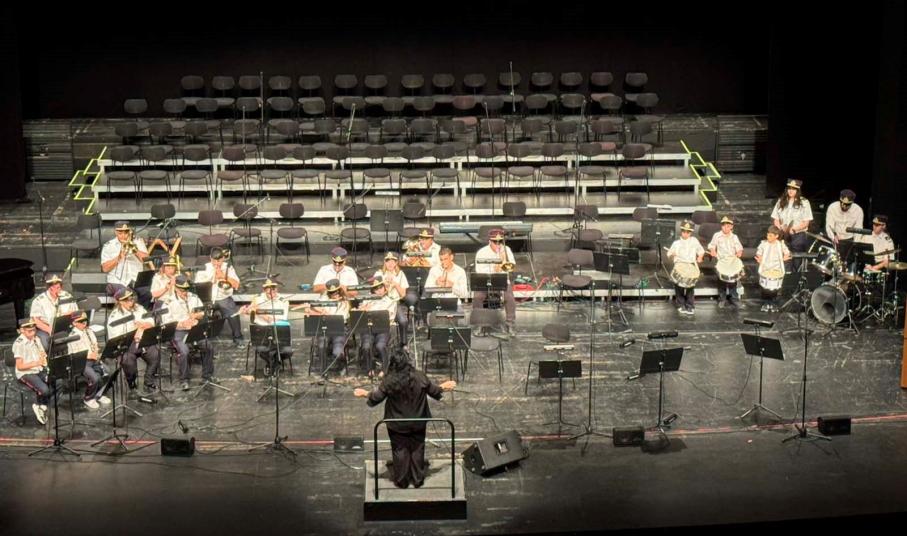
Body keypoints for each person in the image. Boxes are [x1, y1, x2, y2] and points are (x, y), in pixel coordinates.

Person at [354, 350, 456, 489]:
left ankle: (402, 481)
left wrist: (365, 394)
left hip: (396, 424)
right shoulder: (420, 377)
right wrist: (444, 387)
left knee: (400, 450)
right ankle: (417, 479)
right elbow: (434, 391)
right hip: (418, 422)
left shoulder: (389, 381)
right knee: (418, 449)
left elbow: (377, 397)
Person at [162, 275, 216, 391]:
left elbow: (202, 312)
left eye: (186, 289)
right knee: (184, 351)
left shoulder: (194, 297)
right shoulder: (168, 301)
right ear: (176, 288)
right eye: (182, 290)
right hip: (178, 331)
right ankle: (184, 379)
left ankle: (207, 376)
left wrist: (195, 316)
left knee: (208, 346)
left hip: (194, 329)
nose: (185, 292)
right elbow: (166, 322)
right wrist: (182, 324)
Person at [106, 287, 162, 393]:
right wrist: (134, 330)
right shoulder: (115, 316)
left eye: (131, 299)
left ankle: (148, 381)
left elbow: (150, 319)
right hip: (127, 345)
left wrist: (146, 324)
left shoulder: (139, 308)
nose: (131, 302)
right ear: (120, 302)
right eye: (127, 300)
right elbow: (115, 336)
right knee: (129, 364)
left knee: (155, 355)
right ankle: (132, 384)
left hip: (142, 340)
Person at [195, 247, 245, 348]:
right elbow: (197, 284)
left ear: (223, 258)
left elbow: (237, 284)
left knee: (233, 313)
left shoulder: (228, 267)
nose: (217, 263)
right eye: (214, 261)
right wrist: (212, 279)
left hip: (223, 297)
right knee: (199, 315)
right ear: (210, 258)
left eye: (219, 261)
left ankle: (238, 337)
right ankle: (200, 339)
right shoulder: (204, 268)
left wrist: (223, 276)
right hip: (207, 298)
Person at [242, 278, 292, 377]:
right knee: (262, 349)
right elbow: (249, 311)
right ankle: (273, 364)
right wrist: (247, 310)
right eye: (269, 289)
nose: (272, 291)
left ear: (277, 289)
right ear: (264, 290)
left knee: (287, 351)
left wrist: (261, 313)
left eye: (274, 289)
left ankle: (273, 364)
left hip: (277, 330)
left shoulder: (284, 301)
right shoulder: (257, 299)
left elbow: (282, 318)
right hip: (261, 331)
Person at [472, 228, 517, 335]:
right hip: (485, 281)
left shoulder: (507, 250)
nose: (498, 244)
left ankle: (510, 324)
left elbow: (511, 266)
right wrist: (494, 269)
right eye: (495, 242)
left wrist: (503, 261)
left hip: (502, 280)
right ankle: (479, 324)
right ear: (490, 241)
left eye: (500, 241)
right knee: (477, 297)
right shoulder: (482, 252)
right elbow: (479, 270)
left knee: (509, 298)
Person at [67, 310, 111, 409]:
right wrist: (90, 355)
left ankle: (99, 394)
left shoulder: (89, 331)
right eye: (81, 321)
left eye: (85, 320)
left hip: (92, 359)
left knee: (107, 372)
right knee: (94, 378)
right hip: (81, 362)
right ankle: (88, 398)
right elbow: (76, 354)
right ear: (74, 323)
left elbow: (95, 343)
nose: (84, 323)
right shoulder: (73, 336)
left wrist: (96, 350)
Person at [101, 220, 151, 306]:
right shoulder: (108, 246)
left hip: (135, 279)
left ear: (130, 232)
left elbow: (147, 260)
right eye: (120, 233)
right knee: (125, 294)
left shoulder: (138, 242)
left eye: (126, 232)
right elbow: (105, 268)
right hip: (116, 281)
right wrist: (119, 257)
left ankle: (141, 312)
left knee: (147, 292)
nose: (123, 236)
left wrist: (135, 250)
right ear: (115, 232)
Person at [306, 278, 351, 372]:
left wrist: (324, 312)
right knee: (322, 345)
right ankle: (323, 369)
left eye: (337, 292)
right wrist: (313, 310)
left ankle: (341, 363)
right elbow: (314, 305)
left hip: (339, 329)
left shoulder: (345, 302)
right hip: (325, 328)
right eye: (332, 293)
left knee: (337, 353)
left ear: (340, 291)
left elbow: (338, 317)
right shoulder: (325, 298)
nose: (335, 295)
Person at [356, 275, 399, 374]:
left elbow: (390, 316)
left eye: (380, 287)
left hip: (383, 328)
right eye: (376, 289)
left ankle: (384, 369)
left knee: (380, 345)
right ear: (373, 290)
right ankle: (369, 368)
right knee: (366, 346)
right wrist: (363, 310)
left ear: (384, 287)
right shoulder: (367, 300)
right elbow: (360, 316)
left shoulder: (390, 300)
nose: (379, 290)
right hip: (369, 328)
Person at [12, 319, 50, 425]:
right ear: (22, 330)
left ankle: (42, 405)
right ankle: (38, 405)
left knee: (57, 381)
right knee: (45, 390)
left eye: (34, 330)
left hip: (38, 369)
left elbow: (41, 353)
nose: (33, 333)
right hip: (25, 373)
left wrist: (43, 358)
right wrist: (37, 363)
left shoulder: (36, 339)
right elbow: (20, 366)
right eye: (29, 331)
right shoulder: (19, 344)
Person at [29, 273, 77, 351]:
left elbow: (75, 312)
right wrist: (49, 330)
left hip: (66, 327)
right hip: (47, 328)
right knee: (45, 343)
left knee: (78, 336)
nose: (57, 289)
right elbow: (36, 320)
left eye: (58, 287)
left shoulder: (67, 296)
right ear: (49, 287)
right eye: (53, 287)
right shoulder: (39, 301)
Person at [667, 220, 704, 315]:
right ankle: (680, 304)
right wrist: (672, 255)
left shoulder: (694, 241)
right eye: (684, 231)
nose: (685, 234)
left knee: (690, 287)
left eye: (688, 232)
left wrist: (700, 257)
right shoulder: (676, 243)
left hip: (691, 265)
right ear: (681, 231)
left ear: (691, 232)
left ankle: (690, 305)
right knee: (679, 286)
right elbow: (669, 254)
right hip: (680, 265)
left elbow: (701, 250)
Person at [708, 216, 744, 309]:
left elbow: (739, 248)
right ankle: (722, 299)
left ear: (731, 226)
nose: (725, 228)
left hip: (731, 261)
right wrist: (712, 250)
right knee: (721, 282)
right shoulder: (717, 235)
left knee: (733, 282)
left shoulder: (734, 237)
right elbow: (711, 245)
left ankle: (734, 299)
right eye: (723, 226)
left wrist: (739, 252)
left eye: (728, 226)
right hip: (722, 261)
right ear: (721, 226)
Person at [755, 225, 792, 313]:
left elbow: (787, 253)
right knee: (765, 288)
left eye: (771, 235)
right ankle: (766, 303)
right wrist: (759, 258)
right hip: (766, 269)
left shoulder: (780, 244)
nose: (768, 237)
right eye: (768, 235)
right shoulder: (764, 244)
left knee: (774, 288)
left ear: (776, 236)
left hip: (776, 269)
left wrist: (785, 257)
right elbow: (758, 253)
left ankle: (773, 303)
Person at [771, 179, 813, 253]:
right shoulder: (781, 201)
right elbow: (776, 218)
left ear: (798, 191)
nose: (791, 191)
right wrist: (779, 228)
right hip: (783, 234)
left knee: (796, 256)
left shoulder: (804, 202)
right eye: (789, 189)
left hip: (798, 235)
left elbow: (806, 222)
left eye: (793, 189)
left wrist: (793, 229)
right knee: (783, 256)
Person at [375, 251, 410, 338]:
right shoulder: (379, 274)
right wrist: (386, 287)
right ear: (384, 262)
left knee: (403, 321)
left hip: (395, 302)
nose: (390, 264)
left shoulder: (400, 274)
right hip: (381, 302)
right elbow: (375, 292)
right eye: (388, 261)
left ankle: (403, 343)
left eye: (392, 261)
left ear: (396, 263)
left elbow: (403, 294)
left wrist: (395, 285)